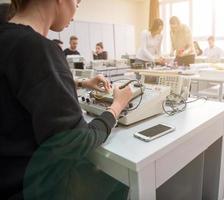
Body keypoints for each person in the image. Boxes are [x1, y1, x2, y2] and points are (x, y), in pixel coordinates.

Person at [0, 0, 132, 199]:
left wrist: (81, 83)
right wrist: (117, 106)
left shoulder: (8, 36)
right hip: (32, 189)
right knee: (121, 184)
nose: (75, 12)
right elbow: (75, 141)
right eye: (77, 2)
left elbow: (24, 81)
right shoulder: (38, 48)